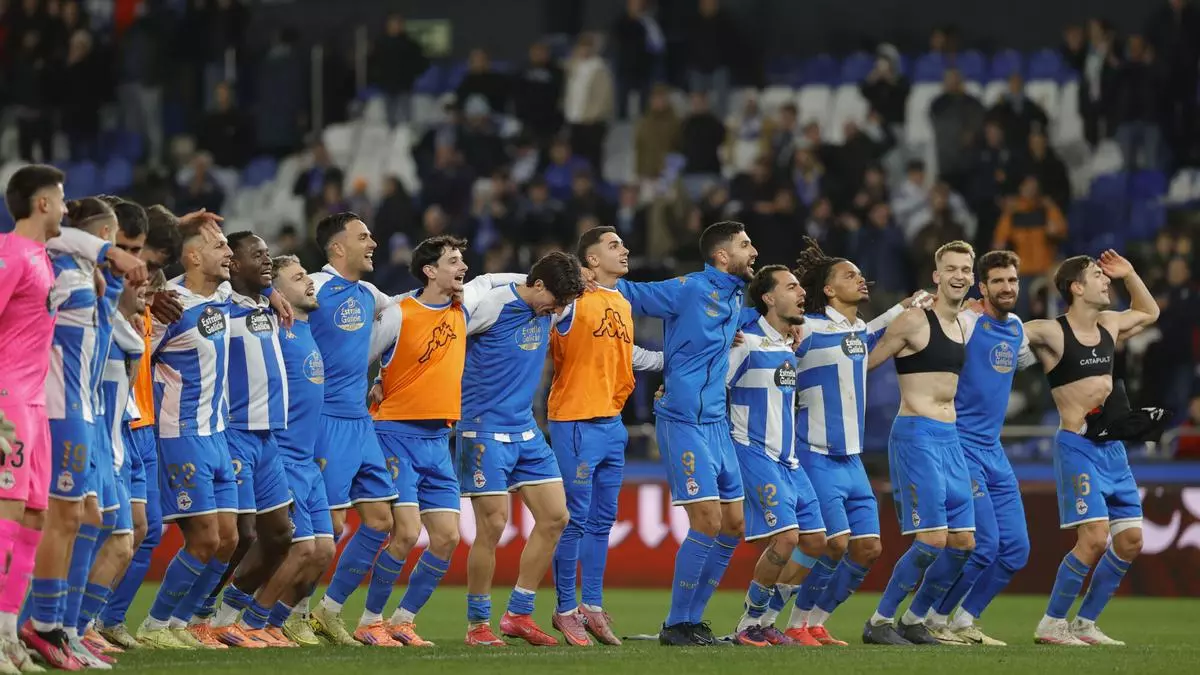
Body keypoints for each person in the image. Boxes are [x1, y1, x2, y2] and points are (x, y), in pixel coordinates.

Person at [1, 166, 139, 673]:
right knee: (23, 516)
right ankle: (33, 627)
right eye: (59, 199)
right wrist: (104, 252)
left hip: (54, 407)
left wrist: (103, 261)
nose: (65, 207)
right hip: (29, 403)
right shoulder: (24, 255)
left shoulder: (54, 260)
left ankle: (26, 630)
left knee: (50, 518)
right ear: (42, 204)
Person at [358, 236, 523, 647]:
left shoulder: (463, 308)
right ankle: (369, 621)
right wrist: (376, 380)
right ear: (430, 271)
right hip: (395, 433)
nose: (462, 267)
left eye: (462, 259)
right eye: (453, 261)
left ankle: (403, 621)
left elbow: (495, 281)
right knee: (405, 534)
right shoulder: (399, 312)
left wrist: (537, 279)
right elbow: (360, 356)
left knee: (447, 538)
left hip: (439, 439)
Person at [772, 239, 929, 647]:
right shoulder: (806, 327)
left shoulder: (857, 330)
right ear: (828, 289)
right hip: (815, 454)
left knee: (868, 550)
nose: (861, 279)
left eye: (860, 274)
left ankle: (816, 621)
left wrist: (905, 306)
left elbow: (871, 328)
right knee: (833, 543)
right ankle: (784, 622)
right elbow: (768, 338)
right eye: (849, 275)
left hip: (852, 460)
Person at [614, 221, 757, 647]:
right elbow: (630, 293)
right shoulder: (690, 288)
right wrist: (594, 276)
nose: (754, 250)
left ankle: (693, 621)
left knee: (733, 524)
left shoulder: (735, 297)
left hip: (717, 423)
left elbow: (743, 321)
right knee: (708, 520)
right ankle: (676, 624)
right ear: (722, 256)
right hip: (682, 421)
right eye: (745, 245)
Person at [1027, 252, 1159, 646]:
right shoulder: (1052, 332)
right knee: (1095, 538)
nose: (1106, 281)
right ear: (1076, 287)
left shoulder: (1109, 324)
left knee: (1131, 541)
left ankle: (1085, 623)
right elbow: (1005, 333)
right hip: (1077, 447)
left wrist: (1130, 273)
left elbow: (1149, 312)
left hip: (1112, 449)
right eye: (1098, 275)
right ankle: (1051, 623)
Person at [457, 253, 584, 647]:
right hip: (482, 428)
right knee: (493, 525)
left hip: (525, 429)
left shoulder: (552, 304)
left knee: (556, 517)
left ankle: (518, 614)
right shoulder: (492, 305)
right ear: (538, 286)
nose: (558, 312)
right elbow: (446, 337)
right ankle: (478, 624)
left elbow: (553, 291)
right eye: (556, 301)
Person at [22, 198, 125, 670]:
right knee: (58, 519)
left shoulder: (87, 276)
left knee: (83, 517)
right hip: (59, 409)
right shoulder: (59, 271)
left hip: (84, 411)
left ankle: (60, 627)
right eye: (118, 240)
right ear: (104, 235)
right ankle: (39, 624)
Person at [547, 227, 662, 646]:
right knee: (574, 520)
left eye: (623, 244)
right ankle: (565, 609)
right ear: (591, 260)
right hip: (576, 420)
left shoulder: (622, 303)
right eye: (614, 246)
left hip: (612, 424)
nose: (625, 249)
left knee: (601, 521)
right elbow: (531, 308)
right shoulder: (570, 301)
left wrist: (681, 358)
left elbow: (629, 355)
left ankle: (592, 607)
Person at [862, 240, 977, 646]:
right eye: (951, 269)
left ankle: (913, 620)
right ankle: (879, 621)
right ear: (936, 276)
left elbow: (989, 310)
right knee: (932, 540)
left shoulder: (964, 324)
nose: (959, 276)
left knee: (963, 543)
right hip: (916, 434)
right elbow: (864, 362)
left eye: (966, 269)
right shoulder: (913, 320)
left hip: (950, 438)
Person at [135, 223, 240, 650]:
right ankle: (155, 624)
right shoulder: (170, 306)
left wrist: (272, 294)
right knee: (204, 539)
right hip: (181, 433)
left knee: (229, 539)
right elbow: (140, 355)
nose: (229, 252)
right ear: (193, 257)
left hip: (218, 435)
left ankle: (182, 623)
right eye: (219, 246)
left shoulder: (224, 296)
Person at [927, 251, 1034, 645]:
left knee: (1016, 550)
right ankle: (931, 619)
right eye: (998, 281)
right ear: (982, 287)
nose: (1007, 287)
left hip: (994, 451)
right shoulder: (966, 322)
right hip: (960, 446)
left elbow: (1021, 362)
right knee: (983, 545)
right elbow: (934, 326)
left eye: (1012, 280)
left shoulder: (1017, 327)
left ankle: (963, 620)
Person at [304, 213, 401, 646]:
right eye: (363, 237)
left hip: (360, 421)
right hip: (324, 421)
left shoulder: (368, 293)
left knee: (380, 520)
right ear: (338, 247)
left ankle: (327, 611)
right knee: (327, 527)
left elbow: (398, 310)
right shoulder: (313, 286)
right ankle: (288, 613)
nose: (373, 242)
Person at [201, 233, 295, 649]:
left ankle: (226, 619)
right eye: (257, 255)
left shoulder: (265, 306)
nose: (267, 259)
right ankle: (193, 616)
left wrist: (271, 292)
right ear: (233, 264)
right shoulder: (221, 307)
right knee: (238, 535)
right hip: (235, 432)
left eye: (267, 253)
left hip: (268, 436)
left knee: (279, 536)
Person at [726, 265, 827, 647]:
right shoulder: (745, 342)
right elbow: (714, 385)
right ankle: (747, 624)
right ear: (768, 298)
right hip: (753, 452)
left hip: (790, 460)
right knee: (786, 539)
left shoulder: (787, 345)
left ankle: (768, 620)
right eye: (791, 287)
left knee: (816, 542)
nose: (801, 292)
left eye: (800, 286)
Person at [255, 255, 334, 647]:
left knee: (323, 551)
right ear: (277, 289)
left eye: (307, 275)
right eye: (298, 277)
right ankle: (249, 621)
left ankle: (277, 621)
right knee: (301, 549)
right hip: (282, 457)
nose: (309, 281)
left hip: (307, 461)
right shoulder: (272, 328)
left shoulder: (306, 329)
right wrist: (266, 293)